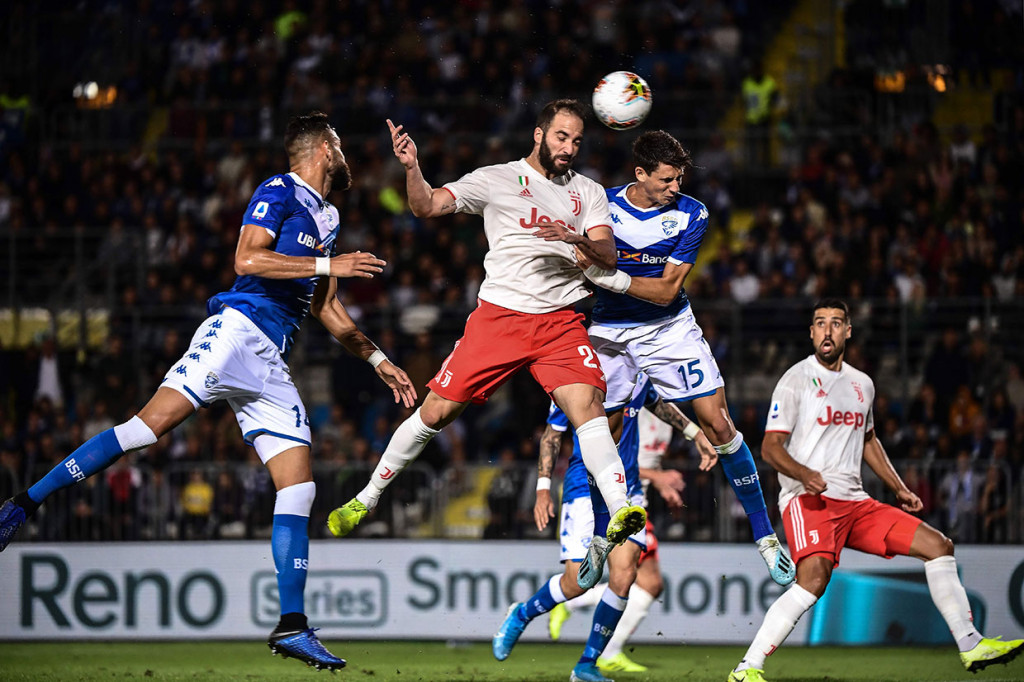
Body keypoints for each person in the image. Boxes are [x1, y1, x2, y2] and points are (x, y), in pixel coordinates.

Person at [0, 112, 417, 672]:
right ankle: (22, 505)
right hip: (236, 332)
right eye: (338, 145)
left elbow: (325, 307)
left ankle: (291, 625)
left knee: (298, 487)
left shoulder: (329, 214)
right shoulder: (279, 189)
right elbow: (246, 258)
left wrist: (379, 358)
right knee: (144, 431)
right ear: (322, 149)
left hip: (270, 358)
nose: (345, 155)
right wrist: (327, 262)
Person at [328, 100, 645, 550]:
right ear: (538, 134)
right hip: (500, 318)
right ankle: (368, 497)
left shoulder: (588, 193)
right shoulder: (496, 179)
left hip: (561, 321)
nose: (569, 148)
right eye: (561, 136)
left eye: (576, 140)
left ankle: (620, 508)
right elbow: (428, 206)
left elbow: (608, 256)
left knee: (589, 407)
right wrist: (413, 167)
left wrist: (574, 237)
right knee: (435, 412)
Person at [727, 298, 1023, 681]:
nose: (827, 330)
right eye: (820, 323)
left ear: (848, 330)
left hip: (857, 503)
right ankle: (747, 668)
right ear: (812, 332)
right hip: (809, 500)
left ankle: (971, 644)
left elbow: (869, 440)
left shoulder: (861, 384)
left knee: (938, 546)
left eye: (836, 323)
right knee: (813, 580)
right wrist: (804, 473)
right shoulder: (795, 379)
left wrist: (898, 487)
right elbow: (769, 447)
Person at [579, 130, 795, 585]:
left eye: (679, 178)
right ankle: (601, 538)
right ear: (640, 175)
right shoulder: (602, 205)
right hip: (609, 331)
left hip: (668, 329)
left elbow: (666, 290)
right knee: (606, 432)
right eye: (667, 180)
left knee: (719, 423)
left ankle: (764, 535)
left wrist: (608, 276)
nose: (676, 187)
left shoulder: (691, 213)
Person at [493, 378, 716, 682]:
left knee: (625, 576)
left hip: (629, 490)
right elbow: (551, 436)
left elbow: (657, 404)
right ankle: (522, 613)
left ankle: (587, 664)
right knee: (578, 583)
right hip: (584, 487)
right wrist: (543, 489)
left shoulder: (636, 370)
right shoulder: (576, 379)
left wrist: (694, 433)